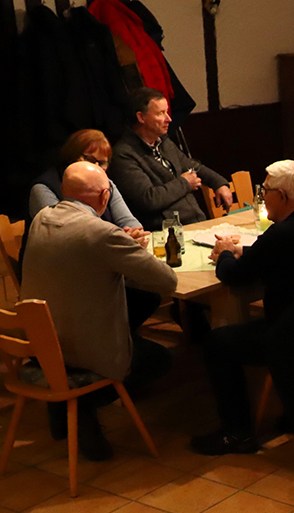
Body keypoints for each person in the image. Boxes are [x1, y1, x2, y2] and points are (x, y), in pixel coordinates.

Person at [190, 160, 294, 455]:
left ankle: (237, 432)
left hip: (292, 336)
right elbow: (279, 255)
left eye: (265, 191)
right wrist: (243, 251)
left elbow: (233, 276)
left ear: (283, 196)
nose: (262, 197)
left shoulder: (282, 234)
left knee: (217, 342)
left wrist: (226, 253)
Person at [22, 162, 178, 460]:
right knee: (160, 360)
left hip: (42, 346)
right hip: (84, 351)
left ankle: (63, 407)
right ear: (105, 197)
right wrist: (127, 250)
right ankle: (83, 407)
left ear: (64, 192)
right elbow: (166, 281)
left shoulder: (42, 218)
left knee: (136, 309)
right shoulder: (102, 232)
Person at [28, 130, 160, 333]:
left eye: (103, 163)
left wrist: (132, 234)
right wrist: (118, 239)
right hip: (61, 274)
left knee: (148, 296)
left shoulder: (106, 184)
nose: (97, 168)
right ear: (72, 156)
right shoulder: (43, 187)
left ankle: (117, 338)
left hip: (100, 266)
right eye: (91, 160)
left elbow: (131, 223)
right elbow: (60, 235)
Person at [110, 87, 231, 229]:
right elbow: (149, 199)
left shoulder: (164, 142)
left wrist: (219, 183)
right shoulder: (124, 154)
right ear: (141, 117)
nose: (169, 119)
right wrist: (185, 183)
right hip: (166, 233)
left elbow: (192, 166)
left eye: (166, 112)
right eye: (161, 113)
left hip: (196, 222)